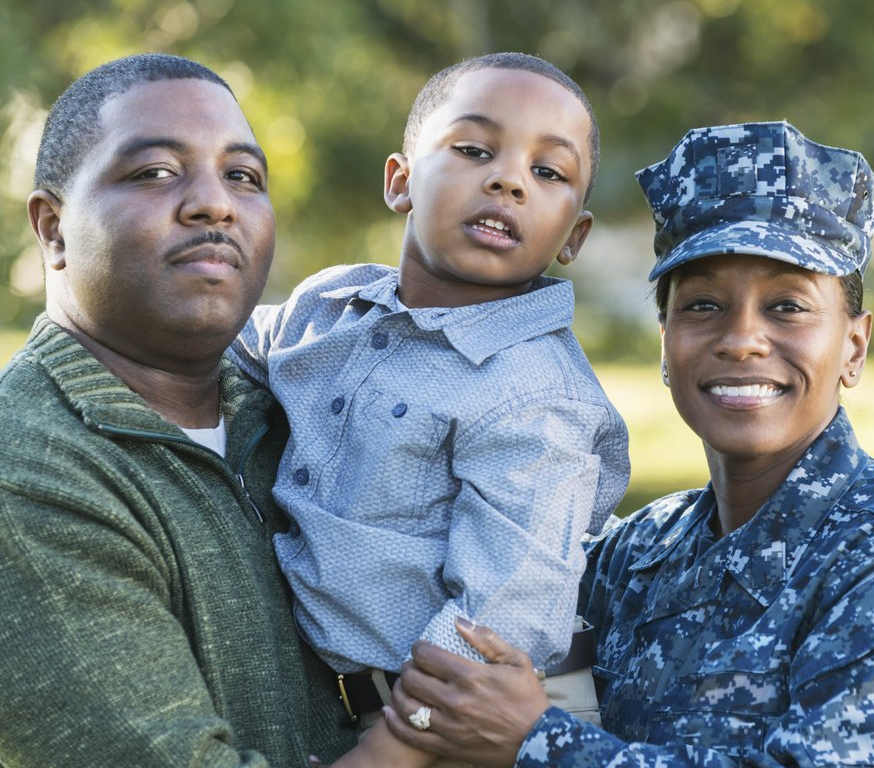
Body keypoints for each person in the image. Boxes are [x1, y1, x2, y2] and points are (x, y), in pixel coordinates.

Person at [382, 122, 874, 767]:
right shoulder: (635, 557)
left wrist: (539, 745)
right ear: (665, 341)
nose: (741, 340)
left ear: (853, 347)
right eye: (702, 306)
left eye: (787, 307)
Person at [0, 54, 355, 767]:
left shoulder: (298, 420)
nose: (214, 204)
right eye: (155, 172)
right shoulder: (15, 480)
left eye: (243, 177)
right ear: (52, 228)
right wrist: (425, 741)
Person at [227, 53, 630, 768]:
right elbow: (223, 350)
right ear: (401, 181)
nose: (508, 179)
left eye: (549, 173)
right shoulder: (330, 306)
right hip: (322, 703)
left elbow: (500, 613)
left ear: (573, 234)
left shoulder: (538, 398)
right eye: (474, 150)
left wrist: (389, 750)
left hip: (450, 731)